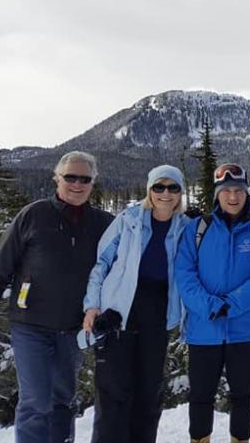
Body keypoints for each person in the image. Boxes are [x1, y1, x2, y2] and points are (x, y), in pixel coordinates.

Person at [0, 151, 115, 443]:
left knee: (62, 400)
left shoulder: (104, 224)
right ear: (56, 179)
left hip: (73, 329)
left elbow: (122, 272)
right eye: (70, 177)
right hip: (30, 325)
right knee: (36, 402)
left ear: (93, 182)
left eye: (84, 178)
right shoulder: (34, 216)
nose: (77, 184)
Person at [175, 163, 250, 443]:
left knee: (243, 395)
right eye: (226, 191)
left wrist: (231, 304)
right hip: (204, 329)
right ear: (217, 194)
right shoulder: (198, 229)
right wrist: (211, 305)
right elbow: (184, 275)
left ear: (247, 193)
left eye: (239, 190)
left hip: (246, 329)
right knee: (200, 396)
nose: (233, 196)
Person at [80, 165, 189, 443]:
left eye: (173, 187)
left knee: (149, 394)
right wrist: (92, 305)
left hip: (158, 313)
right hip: (118, 312)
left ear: (180, 193)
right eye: (159, 187)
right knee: (113, 393)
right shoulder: (128, 219)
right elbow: (101, 263)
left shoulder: (186, 227)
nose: (166, 193)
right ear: (149, 190)